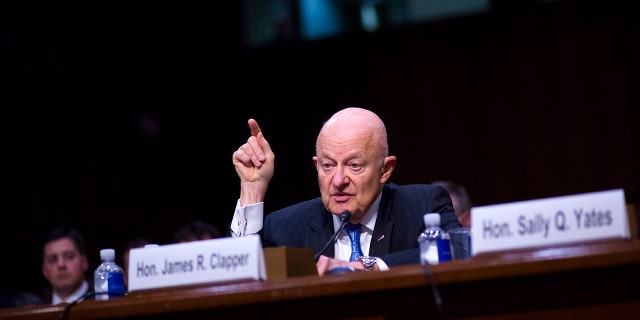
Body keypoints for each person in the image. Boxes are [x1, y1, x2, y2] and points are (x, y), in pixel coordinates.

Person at [230, 107, 462, 275]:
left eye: (354, 165)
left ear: (385, 169)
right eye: (328, 165)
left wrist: (362, 266)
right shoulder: (284, 227)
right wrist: (252, 189)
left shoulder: (422, 205)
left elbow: (459, 250)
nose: (338, 180)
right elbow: (241, 279)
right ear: (316, 166)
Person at [40, 227, 91, 304]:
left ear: (84, 262)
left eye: (69, 256)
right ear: (44, 270)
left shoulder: (103, 302)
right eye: (52, 260)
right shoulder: (35, 311)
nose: (61, 265)